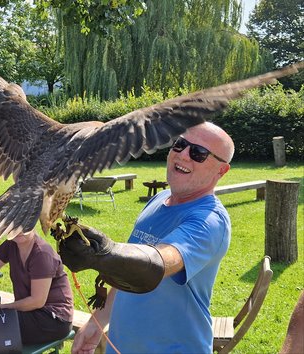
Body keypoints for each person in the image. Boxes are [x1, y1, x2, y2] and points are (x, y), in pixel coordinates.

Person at [60, 122, 235, 354]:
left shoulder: (210, 221)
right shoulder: (158, 200)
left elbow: (162, 261)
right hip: (120, 346)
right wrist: (96, 322)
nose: (183, 154)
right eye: (180, 144)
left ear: (221, 171)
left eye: (198, 153)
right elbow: (127, 273)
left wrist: (105, 255)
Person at [0, 229, 74, 345]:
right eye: (14, 224)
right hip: (28, 311)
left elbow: (37, 301)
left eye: (24, 224)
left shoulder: (42, 254)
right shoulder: (12, 243)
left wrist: (3, 307)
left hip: (53, 318)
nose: (18, 230)